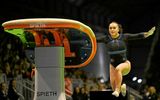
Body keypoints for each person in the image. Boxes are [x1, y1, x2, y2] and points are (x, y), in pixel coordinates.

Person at [97, 21, 156, 97]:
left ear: (118, 29)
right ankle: (121, 89)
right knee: (113, 88)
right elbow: (93, 39)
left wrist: (148, 34)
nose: (112, 29)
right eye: (110, 28)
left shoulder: (124, 37)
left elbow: (137, 36)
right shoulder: (106, 38)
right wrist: (85, 34)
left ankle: (118, 90)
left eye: (114, 28)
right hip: (112, 65)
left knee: (118, 69)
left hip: (125, 64)